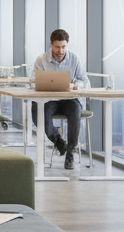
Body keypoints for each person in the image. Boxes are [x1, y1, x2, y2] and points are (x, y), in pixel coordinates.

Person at [31, 29, 90, 170]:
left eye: (63, 47)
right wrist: (42, 84)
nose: (60, 51)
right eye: (57, 47)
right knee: (39, 114)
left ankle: (70, 151)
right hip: (49, 99)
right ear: (51, 45)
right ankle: (58, 141)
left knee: (75, 111)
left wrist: (75, 85)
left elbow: (85, 82)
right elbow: (33, 81)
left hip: (69, 99)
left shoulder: (75, 59)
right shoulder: (41, 60)